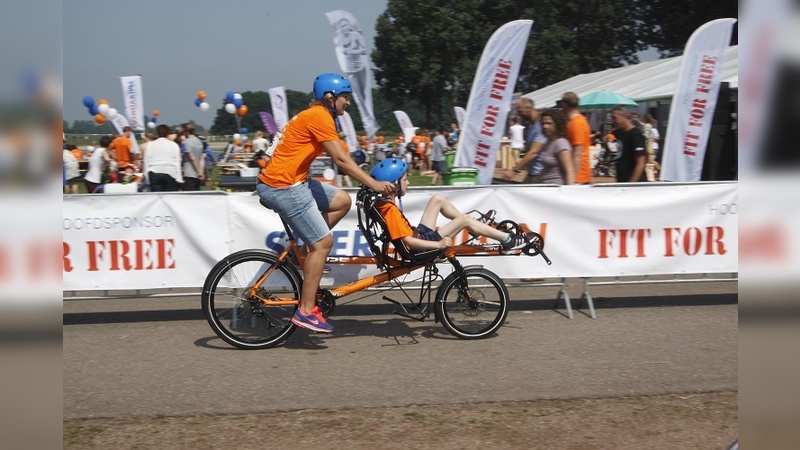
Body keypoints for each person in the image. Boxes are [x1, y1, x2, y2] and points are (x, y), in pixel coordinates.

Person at [256, 73, 394, 334]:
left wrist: (367, 177)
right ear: (329, 98)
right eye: (345, 97)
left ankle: (306, 246)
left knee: (342, 200)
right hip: (283, 186)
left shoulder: (317, 115)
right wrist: (374, 184)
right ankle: (306, 311)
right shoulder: (319, 116)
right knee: (324, 243)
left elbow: (345, 158)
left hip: (294, 181)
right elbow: (341, 161)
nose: (348, 103)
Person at [370, 157, 531, 254]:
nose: (408, 182)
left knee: (437, 199)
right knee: (465, 219)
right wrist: (438, 245)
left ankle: (474, 226)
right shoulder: (389, 209)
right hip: (420, 247)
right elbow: (409, 243)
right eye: (405, 180)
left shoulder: (385, 202)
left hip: (418, 236)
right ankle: (508, 239)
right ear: (393, 184)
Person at [505, 97, 547, 183]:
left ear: (528, 108)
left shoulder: (539, 126)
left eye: (520, 111)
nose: (519, 114)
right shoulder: (531, 125)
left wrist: (514, 171)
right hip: (533, 172)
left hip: (540, 174)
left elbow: (533, 153)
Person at [537, 109, 576, 185]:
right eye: (543, 123)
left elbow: (570, 171)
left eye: (549, 123)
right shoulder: (548, 142)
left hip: (556, 188)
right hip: (544, 186)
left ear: (557, 124)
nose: (545, 126)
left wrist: (570, 191)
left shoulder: (561, 143)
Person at [561, 92, 593, 184]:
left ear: (565, 104)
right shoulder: (576, 121)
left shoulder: (577, 123)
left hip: (579, 176)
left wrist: (573, 179)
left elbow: (578, 153)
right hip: (579, 174)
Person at [611, 105, 646, 182]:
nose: (612, 121)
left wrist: (631, 184)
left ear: (624, 116)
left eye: (614, 118)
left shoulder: (635, 134)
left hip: (634, 184)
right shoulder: (618, 133)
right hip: (622, 180)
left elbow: (640, 162)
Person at [144, 124, 184, 191]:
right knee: (170, 198)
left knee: (156, 198)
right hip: (170, 172)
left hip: (154, 172)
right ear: (167, 133)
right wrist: (179, 179)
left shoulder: (150, 144)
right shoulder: (174, 145)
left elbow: (146, 161)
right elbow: (177, 161)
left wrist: (146, 177)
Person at [181, 123, 205, 191]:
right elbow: (201, 158)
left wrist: (197, 171)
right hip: (198, 174)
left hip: (190, 173)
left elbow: (192, 158)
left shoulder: (188, 142)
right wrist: (201, 172)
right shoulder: (199, 141)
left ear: (187, 131)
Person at [642, 114, 661, 181]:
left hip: (652, 146)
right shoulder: (651, 127)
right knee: (650, 162)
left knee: (650, 161)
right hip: (652, 146)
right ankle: (654, 175)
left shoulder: (648, 127)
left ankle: (659, 171)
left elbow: (656, 138)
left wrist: (651, 137)